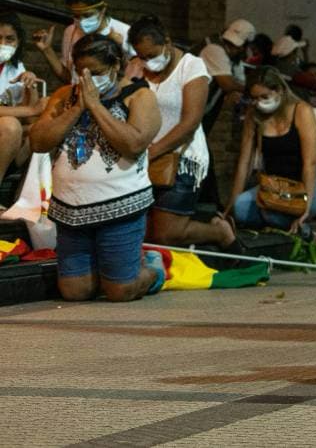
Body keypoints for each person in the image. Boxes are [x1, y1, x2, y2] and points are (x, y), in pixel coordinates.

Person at [27, 35, 165, 301]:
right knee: (74, 291)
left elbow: (133, 145)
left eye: (97, 72)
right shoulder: (65, 96)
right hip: (71, 211)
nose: (87, 79)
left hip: (121, 208)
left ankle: (154, 270)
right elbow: (38, 142)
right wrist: (78, 107)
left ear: (116, 66)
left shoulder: (139, 96)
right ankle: (114, 270)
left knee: (120, 291)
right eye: (81, 72)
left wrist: (95, 105)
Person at [127, 16, 236, 249]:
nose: (147, 61)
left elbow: (190, 123)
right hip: (141, 159)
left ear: (167, 42)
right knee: (143, 232)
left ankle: (219, 232)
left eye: (152, 55)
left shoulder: (192, 66)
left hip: (180, 158)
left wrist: (151, 153)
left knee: (167, 235)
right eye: (142, 56)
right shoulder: (136, 67)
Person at [229, 68, 316, 236]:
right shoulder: (254, 115)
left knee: (270, 214)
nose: (259, 102)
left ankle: (301, 228)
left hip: (306, 186)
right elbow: (245, 163)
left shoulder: (301, 110)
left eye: (264, 97)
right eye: (254, 98)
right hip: (274, 188)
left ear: (279, 91)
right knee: (241, 208)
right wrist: (231, 205)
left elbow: (310, 163)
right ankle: (284, 227)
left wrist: (305, 208)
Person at [32, 0, 131, 83]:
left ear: (102, 10)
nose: (82, 21)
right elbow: (70, 79)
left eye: (87, 15)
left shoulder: (125, 33)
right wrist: (47, 50)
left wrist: (118, 49)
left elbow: (130, 80)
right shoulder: (71, 31)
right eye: (77, 16)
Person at [0, 13, 47, 177]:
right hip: (6, 129)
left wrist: (30, 85)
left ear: (18, 42)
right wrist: (32, 110)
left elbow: (30, 120)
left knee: (43, 130)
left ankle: (22, 195)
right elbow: (30, 112)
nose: (3, 44)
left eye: (9, 39)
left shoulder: (15, 67)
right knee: (10, 126)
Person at [198, 19, 256, 131]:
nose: (232, 48)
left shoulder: (235, 58)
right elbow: (227, 84)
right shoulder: (213, 48)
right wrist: (251, 89)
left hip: (202, 110)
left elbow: (239, 81)